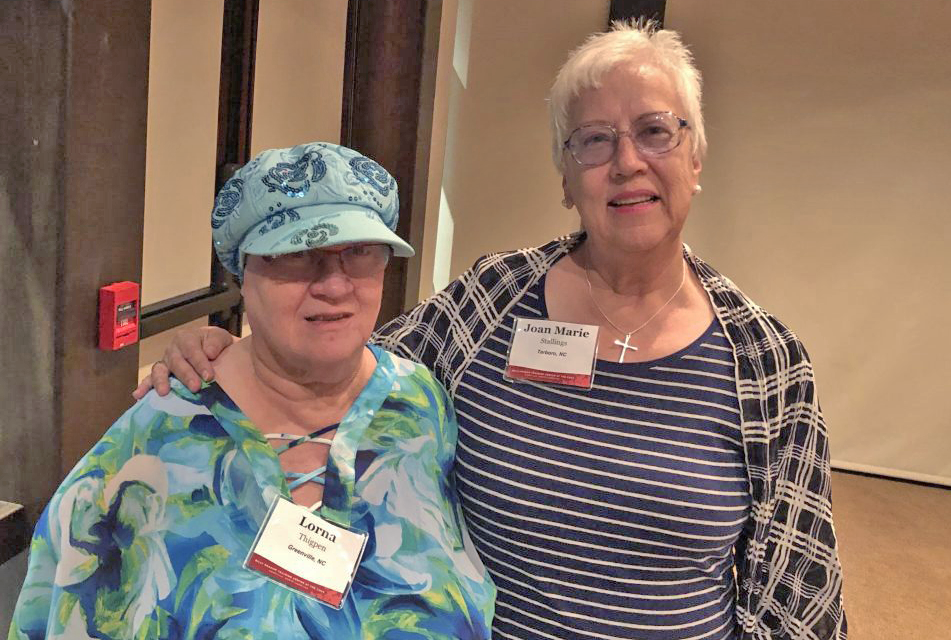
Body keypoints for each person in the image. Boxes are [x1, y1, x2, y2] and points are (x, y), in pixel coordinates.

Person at [137, 22, 846, 640]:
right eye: (593, 141)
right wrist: (230, 354)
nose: (627, 162)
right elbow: (346, 376)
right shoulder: (492, 302)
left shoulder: (764, 364)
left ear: (696, 157)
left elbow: (801, 600)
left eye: (656, 131)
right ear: (567, 179)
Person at [8, 143, 495, 640]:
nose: (333, 284)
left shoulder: (421, 406)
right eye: (296, 253)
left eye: (359, 252)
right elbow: (59, 602)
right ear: (242, 274)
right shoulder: (163, 431)